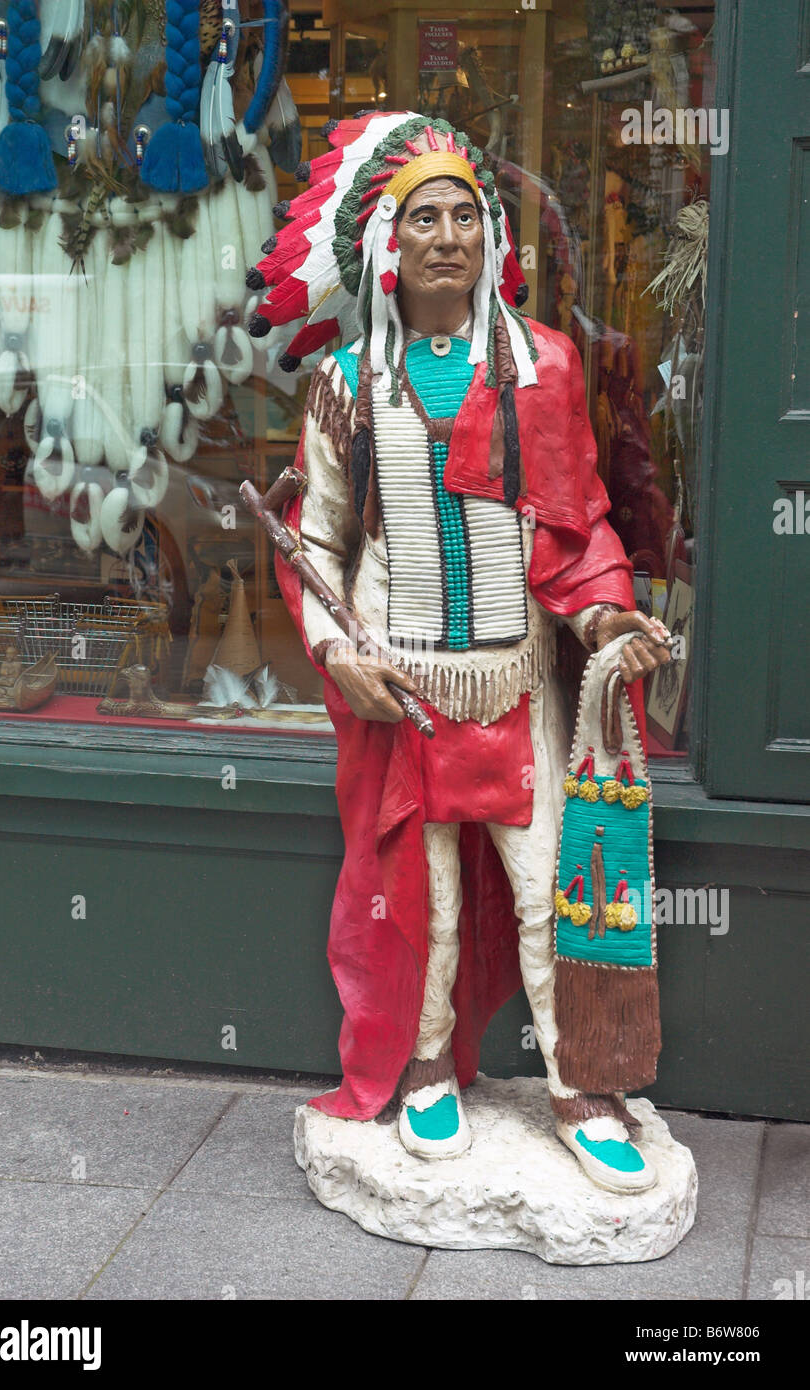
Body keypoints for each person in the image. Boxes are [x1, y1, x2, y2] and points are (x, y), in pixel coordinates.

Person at [248, 112, 671, 1194]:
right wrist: (342, 656)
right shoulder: (343, 384)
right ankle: (426, 1064)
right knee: (416, 902)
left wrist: (606, 619)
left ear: (491, 241)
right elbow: (321, 551)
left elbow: (577, 533)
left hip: (517, 688)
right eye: (423, 215)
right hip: (408, 701)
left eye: (465, 216)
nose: (446, 235)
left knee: (552, 893)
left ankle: (579, 1083)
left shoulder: (546, 367)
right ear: (387, 244)